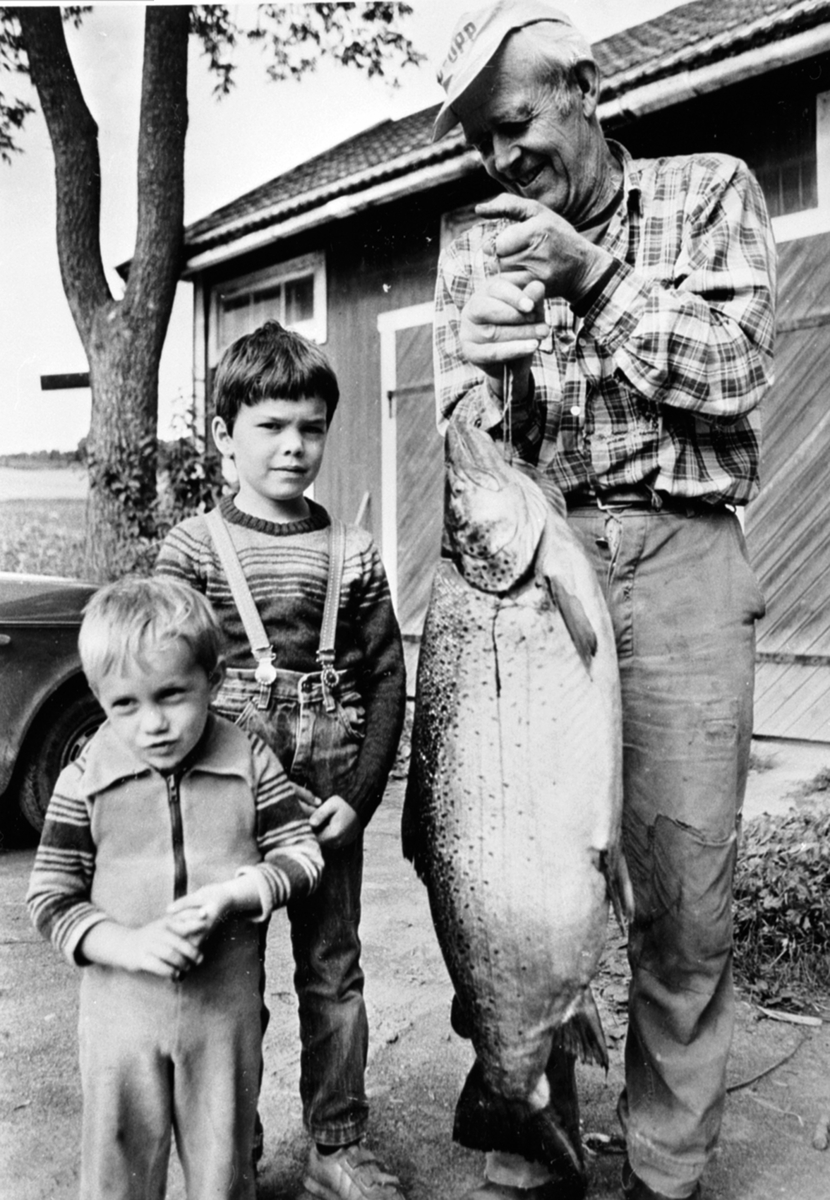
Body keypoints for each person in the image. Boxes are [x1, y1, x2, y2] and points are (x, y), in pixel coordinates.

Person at [429, 3, 776, 1200]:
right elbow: (458, 444)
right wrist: (474, 372)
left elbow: (733, 375)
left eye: (512, 122)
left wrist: (595, 278)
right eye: (477, 140)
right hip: (534, 558)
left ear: (582, 87)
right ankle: (531, 1108)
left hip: (681, 554)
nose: (496, 158)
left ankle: (665, 1169)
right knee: (531, 859)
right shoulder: (473, 241)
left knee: (683, 884)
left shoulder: (707, 190)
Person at [155, 320, 408, 1200]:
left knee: (334, 971)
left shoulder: (354, 554)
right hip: (229, 780)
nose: (294, 446)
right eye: (271, 426)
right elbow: (170, 677)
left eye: (310, 427)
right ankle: (233, 1154)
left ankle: (336, 1146)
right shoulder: (192, 550)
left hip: (331, 785)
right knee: (231, 980)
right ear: (226, 436)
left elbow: (385, 680)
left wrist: (363, 796)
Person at [26, 576, 324, 1200]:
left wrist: (241, 894)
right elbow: (50, 899)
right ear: (99, 699)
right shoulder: (85, 781)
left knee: (223, 1172)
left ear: (213, 681)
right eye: (124, 705)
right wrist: (129, 946)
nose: (153, 724)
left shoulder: (250, 762)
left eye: (171, 695)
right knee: (118, 1172)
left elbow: (303, 854)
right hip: (119, 1019)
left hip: (224, 1016)